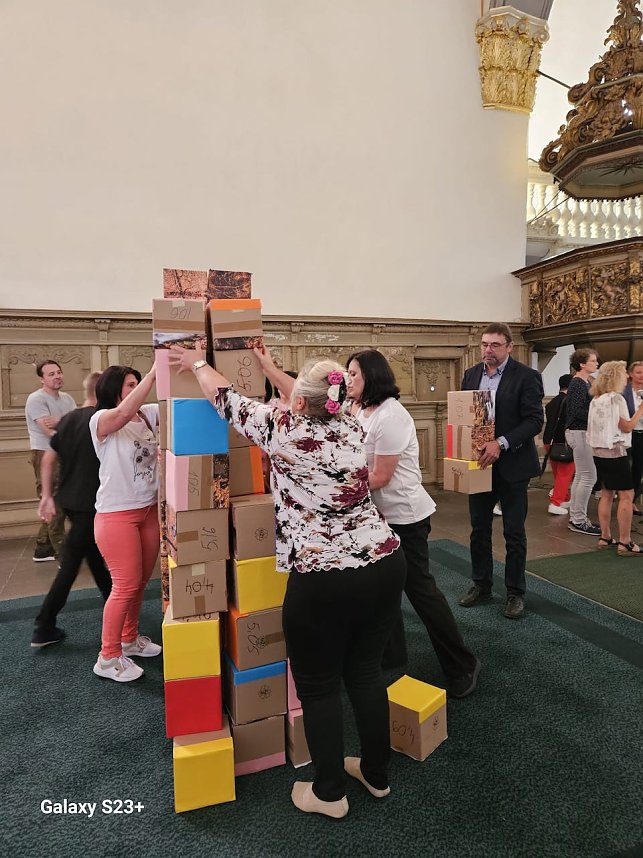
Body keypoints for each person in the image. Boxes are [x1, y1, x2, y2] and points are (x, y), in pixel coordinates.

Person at [169, 345, 406, 820]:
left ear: (300, 401)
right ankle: (376, 776)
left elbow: (225, 397)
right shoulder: (354, 421)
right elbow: (312, 398)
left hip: (323, 579)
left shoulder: (282, 429)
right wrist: (274, 370)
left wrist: (196, 361)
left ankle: (330, 791)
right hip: (383, 562)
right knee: (364, 673)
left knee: (318, 687)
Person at [346, 349, 480, 698]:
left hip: (405, 516)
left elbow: (380, 476)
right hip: (377, 516)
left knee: (420, 591)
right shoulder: (358, 409)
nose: (347, 380)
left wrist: (333, 485)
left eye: (354, 374)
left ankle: (462, 664)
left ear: (372, 377)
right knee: (379, 587)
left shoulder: (392, 416)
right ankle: (391, 652)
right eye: (347, 374)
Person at [458, 323, 544, 620]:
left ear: (509, 346)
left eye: (494, 345)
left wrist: (502, 443)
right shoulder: (471, 374)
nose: (488, 350)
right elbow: (466, 415)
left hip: (513, 465)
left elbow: (534, 420)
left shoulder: (527, 376)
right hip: (479, 465)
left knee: (514, 533)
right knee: (478, 529)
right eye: (484, 344)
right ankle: (481, 584)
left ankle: (515, 593)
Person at [89, 363, 161, 683]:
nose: (136, 389)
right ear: (114, 390)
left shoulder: (147, 415)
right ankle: (107, 656)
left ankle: (129, 640)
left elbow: (181, 401)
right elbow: (120, 415)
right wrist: (155, 371)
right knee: (125, 585)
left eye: (137, 383)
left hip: (147, 511)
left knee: (141, 582)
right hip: (116, 515)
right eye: (130, 384)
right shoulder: (101, 419)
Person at [32, 372, 112, 648]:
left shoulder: (68, 420)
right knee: (70, 566)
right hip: (91, 504)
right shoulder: (101, 421)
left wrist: (47, 496)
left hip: (71, 501)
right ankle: (44, 625)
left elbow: (48, 458)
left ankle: (120, 611)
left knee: (94, 560)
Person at [587, 361, 643, 555]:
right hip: (615, 452)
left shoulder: (596, 398)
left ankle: (605, 536)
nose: (626, 377)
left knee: (606, 493)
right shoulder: (615, 399)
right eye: (623, 374)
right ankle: (625, 542)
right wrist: (641, 410)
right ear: (615, 377)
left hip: (598, 452)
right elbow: (627, 427)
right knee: (627, 496)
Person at [25, 360, 76, 561]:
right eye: (51, 374)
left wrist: (61, 422)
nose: (57, 376)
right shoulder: (36, 399)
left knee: (60, 498)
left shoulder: (67, 398)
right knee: (55, 501)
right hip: (45, 453)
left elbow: (76, 426)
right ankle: (62, 554)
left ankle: (43, 547)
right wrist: (66, 424)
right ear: (41, 379)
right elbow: (50, 432)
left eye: (59, 372)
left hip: (64, 452)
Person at [565, 348, 601, 536]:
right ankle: (579, 521)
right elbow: (576, 410)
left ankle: (576, 518)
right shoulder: (578, 383)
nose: (596, 364)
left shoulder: (585, 381)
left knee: (582, 476)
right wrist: (600, 416)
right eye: (593, 361)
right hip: (579, 431)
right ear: (582, 364)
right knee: (589, 477)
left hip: (581, 431)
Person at [543, 373, 574, 515]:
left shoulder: (552, 402)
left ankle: (563, 497)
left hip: (549, 442)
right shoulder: (569, 402)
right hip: (563, 443)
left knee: (558, 473)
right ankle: (556, 502)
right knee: (565, 473)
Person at [622, 360, 643, 514]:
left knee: (639, 468)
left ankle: (634, 497)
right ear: (630, 374)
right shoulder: (624, 392)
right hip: (628, 434)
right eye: (638, 372)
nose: (642, 376)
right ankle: (626, 498)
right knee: (628, 469)